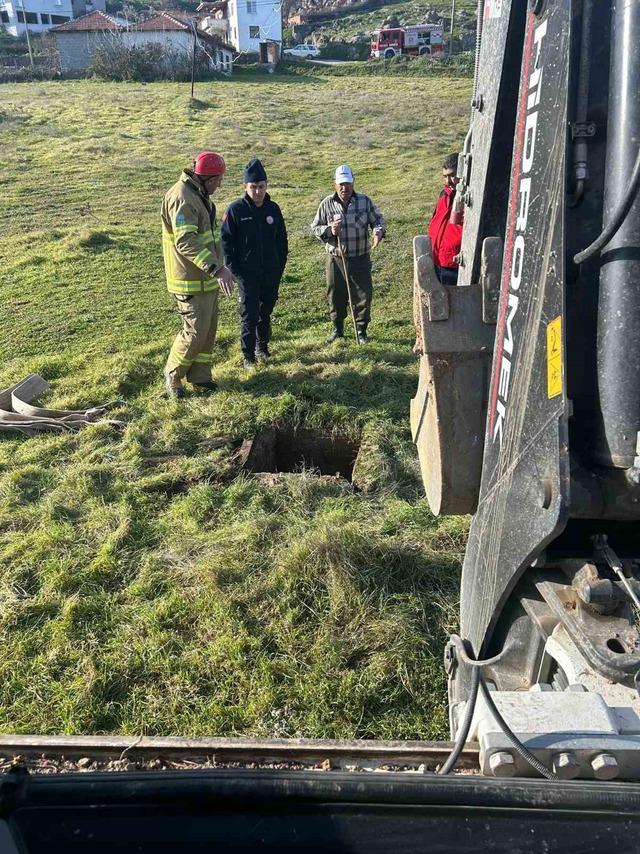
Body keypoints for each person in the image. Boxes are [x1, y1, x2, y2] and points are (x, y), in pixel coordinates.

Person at [161, 151, 234, 399]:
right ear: (205, 178)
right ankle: (173, 375)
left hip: (206, 279)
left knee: (208, 330)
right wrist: (217, 268)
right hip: (190, 280)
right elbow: (186, 241)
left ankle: (200, 378)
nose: (220, 184)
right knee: (193, 332)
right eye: (217, 180)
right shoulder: (183, 199)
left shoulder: (199, 195)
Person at [220, 158, 288, 369]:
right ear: (245, 187)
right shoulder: (235, 211)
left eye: (261, 186)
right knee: (249, 314)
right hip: (246, 274)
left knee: (265, 311)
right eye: (253, 187)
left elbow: (281, 241)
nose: (257, 191)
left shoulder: (273, 209)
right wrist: (235, 271)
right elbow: (226, 242)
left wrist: (279, 267)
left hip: (270, 272)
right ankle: (248, 356)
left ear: (266, 185)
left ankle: (262, 347)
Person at [311, 164, 385, 344]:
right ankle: (338, 330)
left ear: (353, 183)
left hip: (360, 257)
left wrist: (378, 231)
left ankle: (361, 331)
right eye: (341, 184)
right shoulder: (327, 204)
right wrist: (329, 230)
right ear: (335, 184)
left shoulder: (364, 201)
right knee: (335, 294)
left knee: (363, 295)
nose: (345, 188)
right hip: (336, 259)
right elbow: (315, 228)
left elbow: (377, 220)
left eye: (348, 184)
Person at [427, 153, 464, 285]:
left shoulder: (471, 198)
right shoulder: (444, 194)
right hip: (436, 260)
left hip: (455, 265)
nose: (448, 181)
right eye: (445, 176)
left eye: (452, 175)